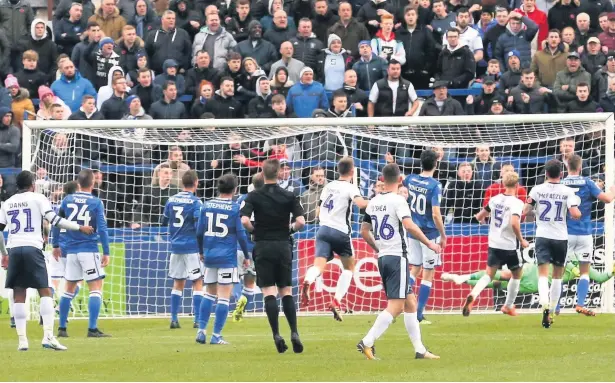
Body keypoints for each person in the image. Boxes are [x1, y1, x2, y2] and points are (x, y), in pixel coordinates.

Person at [0, 170, 94, 351]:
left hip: (14, 249)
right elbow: (55, 220)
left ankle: (22, 341)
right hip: (33, 248)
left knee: (19, 293)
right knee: (46, 291)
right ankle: (48, 337)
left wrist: (4, 253)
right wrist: (79, 227)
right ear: (32, 184)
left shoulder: (8, 203)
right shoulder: (38, 198)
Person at [358, 163, 440, 360]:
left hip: (384, 257)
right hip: (397, 258)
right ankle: (367, 341)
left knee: (410, 302)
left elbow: (363, 231)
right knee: (396, 305)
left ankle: (420, 350)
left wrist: (379, 248)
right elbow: (409, 226)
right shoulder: (399, 200)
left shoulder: (373, 201)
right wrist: (429, 243)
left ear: (382, 180)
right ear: (400, 179)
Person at [240, 159, 306, 353]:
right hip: (283, 245)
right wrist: (290, 229)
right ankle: (294, 332)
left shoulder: (253, 195)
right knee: (286, 290)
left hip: (263, 246)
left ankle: (276, 334)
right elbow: (301, 221)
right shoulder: (289, 195)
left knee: (269, 292)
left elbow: (244, 220)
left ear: (262, 173)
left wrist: (254, 231)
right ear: (278, 173)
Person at [301, 157, 368, 320]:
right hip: (340, 232)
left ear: (338, 171)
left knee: (318, 265)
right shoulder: (350, 187)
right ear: (352, 172)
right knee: (349, 268)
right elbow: (361, 204)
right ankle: (336, 300)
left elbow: (317, 211)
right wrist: (378, 201)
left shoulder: (328, 186)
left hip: (323, 230)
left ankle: (308, 279)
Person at [523, 159, 581, 328]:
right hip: (560, 237)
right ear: (561, 174)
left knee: (542, 274)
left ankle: (544, 304)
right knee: (557, 275)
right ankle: (553, 309)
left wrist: (535, 210)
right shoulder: (567, 191)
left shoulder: (537, 189)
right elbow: (575, 213)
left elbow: (526, 212)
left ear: (546, 174)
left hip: (542, 235)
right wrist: (577, 210)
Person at [53, 169, 110, 338]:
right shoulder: (96, 202)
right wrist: (106, 251)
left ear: (78, 183)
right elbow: (102, 228)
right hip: (88, 249)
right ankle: (92, 328)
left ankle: (62, 328)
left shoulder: (67, 199)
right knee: (96, 287)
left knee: (68, 289)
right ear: (93, 184)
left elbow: (58, 222)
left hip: (70, 251)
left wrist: (55, 244)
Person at [464, 171, 529, 317]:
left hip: (494, 243)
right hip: (509, 246)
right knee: (517, 274)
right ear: (517, 185)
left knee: (489, 275)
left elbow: (480, 216)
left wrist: (483, 221)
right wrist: (521, 239)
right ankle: (508, 306)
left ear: (503, 184)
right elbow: (514, 223)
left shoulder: (495, 199)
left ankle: (473, 294)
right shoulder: (517, 203)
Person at [195, 173, 250, 344]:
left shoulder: (206, 205)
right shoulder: (234, 208)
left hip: (210, 255)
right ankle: (216, 335)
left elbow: (199, 231)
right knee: (224, 297)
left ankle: (201, 331)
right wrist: (247, 255)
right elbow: (241, 234)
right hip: (226, 258)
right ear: (235, 190)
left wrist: (201, 251)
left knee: (209, 294)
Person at [561, 154, 615, 316]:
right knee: (584, 272)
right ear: (580, 167)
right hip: (585, 233)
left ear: (567, 166)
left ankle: (555, 308)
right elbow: (606, 199)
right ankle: (580, 303)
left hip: (566, 233)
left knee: (559, 272)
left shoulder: (561, 184)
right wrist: (612, 190)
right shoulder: (588, 182)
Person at [403, 150, 447, 324]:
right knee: (428, 273)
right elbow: (436, 214)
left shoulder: (410, 179)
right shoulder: (435, 185)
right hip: (429, 234)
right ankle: (418, 314)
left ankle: (400, 297)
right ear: (436, 164)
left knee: (415, 268)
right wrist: (443, 234)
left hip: (413, 231)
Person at [161, 171, 204, 329]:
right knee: (197, 281)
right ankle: (198, 319)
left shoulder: (171, 200)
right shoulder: (196, 202)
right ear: (196, 182)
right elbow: (199, 226)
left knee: (178, 282)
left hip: (176, 245)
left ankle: (173, 319)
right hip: (191, 246)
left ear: (182, 183)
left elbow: (164, 220)